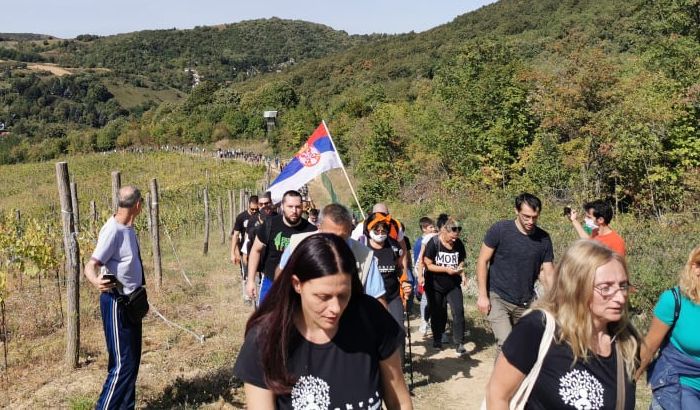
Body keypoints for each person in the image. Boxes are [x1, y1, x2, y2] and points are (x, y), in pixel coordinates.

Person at [234, 234, 413, 409]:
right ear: (297, 284)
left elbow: (400, 401)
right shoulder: (265, 339)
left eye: (343, 295)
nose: (335, 307)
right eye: (323, 296)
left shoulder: (372, 318)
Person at [485, 240, 640, 409]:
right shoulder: (538, 328)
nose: (620, 298)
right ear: (577, 287)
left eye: (623, 286)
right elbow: (497, 394)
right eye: (606, 288)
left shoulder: (626, 343)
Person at [84, 186, 146, 410]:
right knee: (122, 365)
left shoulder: (127, 226)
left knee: (131, 363)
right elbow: (90, 266)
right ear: (137, 205)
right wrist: (95, 281)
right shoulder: (113, 231)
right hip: (116, 303)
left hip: (131, 303)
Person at [476, 193, 554, 355]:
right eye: (526, 216)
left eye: (534, 217)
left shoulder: (544, 239)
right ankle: (500, 381)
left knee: (527, 347)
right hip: (498, 296)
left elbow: (547, 273)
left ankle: (521, 380)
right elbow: (482, 261)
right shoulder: (500, 230)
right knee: (506, 344)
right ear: (516, 211)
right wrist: (483, 295)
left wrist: (555, 300)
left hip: (525, 301)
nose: (530, 221)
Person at [277, 203, 387, 305]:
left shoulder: (364, 256)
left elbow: (378, 299)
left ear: (350, 230)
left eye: (342, 238)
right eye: (330, 237)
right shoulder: (297, 245)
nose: (336, 243)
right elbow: (280, 279)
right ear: (319, 228)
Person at [635, 245, 700, 409]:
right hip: (680, 381)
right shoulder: (674, 300)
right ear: (694, 267)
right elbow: (649, 346)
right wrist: (630, 381)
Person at [246, 190, 316, 304]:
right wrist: (250, 280)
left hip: (298, 287)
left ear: (302, 207)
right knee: (265, 320)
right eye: (290, 206)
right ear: (282, 206)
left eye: (298, 207)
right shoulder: (270, 224)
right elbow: (255, 250)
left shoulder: (311, 231)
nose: (294, 211)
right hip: (270, 282)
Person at [364, 212, 413, 364]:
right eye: (376, 229)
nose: (380, 233)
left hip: (392, 296)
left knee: (398, 330)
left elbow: (400, 268)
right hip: (370, 299)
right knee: (373, 333)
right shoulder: (362, 249)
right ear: (369, 230)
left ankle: (400, 366)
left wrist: (405, 282)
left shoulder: (394, 246)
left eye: (383, 230)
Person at [422, 218, 467, 354]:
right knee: (438, 311)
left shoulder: (458, 243)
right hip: (434, 284)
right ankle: (437, 338)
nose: (454, 240)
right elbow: (427, 264)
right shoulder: (434, 243)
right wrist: (446, 269)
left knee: (458, 311)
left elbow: (461, 260)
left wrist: (461, 272)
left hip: (453, 283)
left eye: (456, 237)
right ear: (444, 231)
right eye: (452, 237)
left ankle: (459, 342)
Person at [231, 195, 258, 301]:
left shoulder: (260, 216)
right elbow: (235, 235)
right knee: (245, 273)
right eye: (252, 209)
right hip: (244, 250)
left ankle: (257, 294)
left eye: (256, 209)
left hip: (258, 250)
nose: (254, 211)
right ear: (248, 205)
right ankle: (247, 296)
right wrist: (233, 253)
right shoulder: (241, 217)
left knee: (257, 273)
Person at [414, 217, 437, 334]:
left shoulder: (434, 239)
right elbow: (418, 259)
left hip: (434, 273)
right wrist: (419, 275)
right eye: (430, 227)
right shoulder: (420, 243)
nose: (433, 229)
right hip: (423, 273)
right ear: (423, 228)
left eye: (434, 226)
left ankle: (433, 320)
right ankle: (424, 321)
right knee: (425, 297)